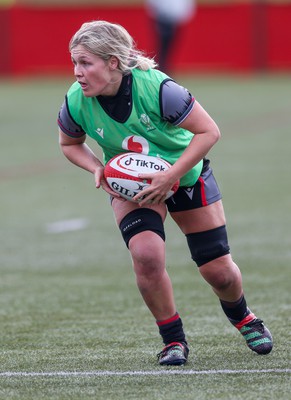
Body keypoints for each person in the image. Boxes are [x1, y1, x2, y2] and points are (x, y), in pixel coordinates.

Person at [57, 20, 273, 366]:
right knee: (146, 255)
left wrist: (170, 175)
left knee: (218, 271)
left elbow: (208, 131)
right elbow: (69, 143)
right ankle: (173, 340)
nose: (77, 72)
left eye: (85, 63)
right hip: (133, 188)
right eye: (74, 63)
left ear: (113, 62)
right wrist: (97, 167)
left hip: (186, 178)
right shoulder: (76, 99)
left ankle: (245, 318)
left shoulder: (158, 89)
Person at [146, 0, 196, 72]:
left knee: (170, 48)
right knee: (161, 48)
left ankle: (165, 68)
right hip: (161, 19)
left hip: (176, 22)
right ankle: (159, 69)